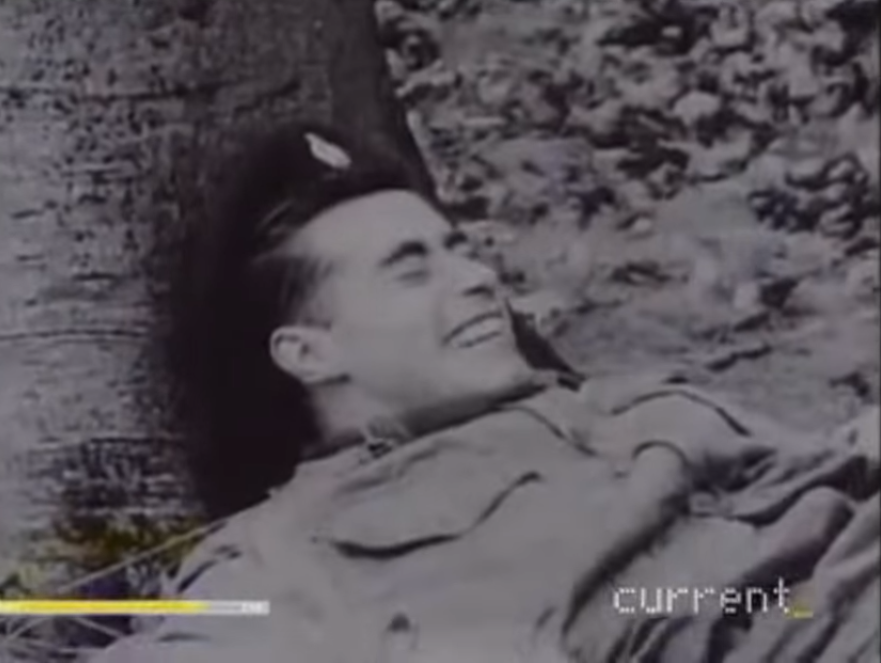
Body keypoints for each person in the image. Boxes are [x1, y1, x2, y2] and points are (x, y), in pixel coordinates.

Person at [91, 121, 879, 662]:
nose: (476, 279)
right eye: (411, 269)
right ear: (308, 352)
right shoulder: (290, 558)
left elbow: (830, 474)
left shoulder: (627, 405)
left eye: (458, 250)